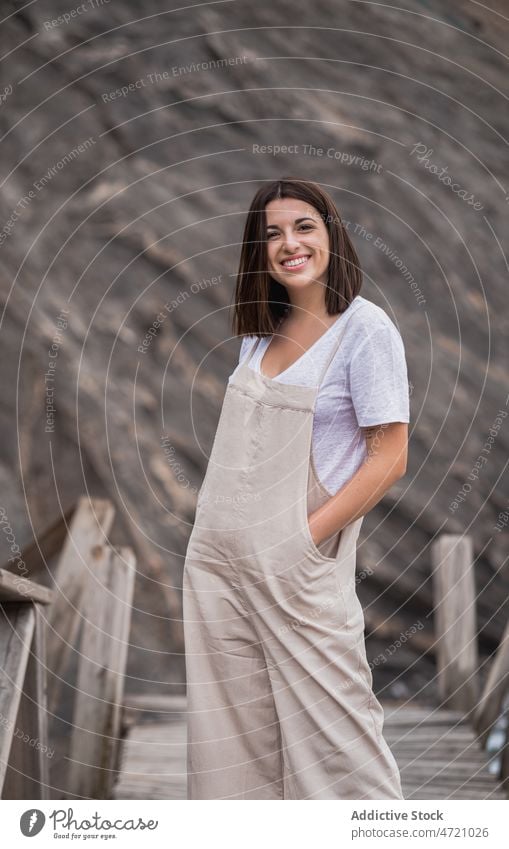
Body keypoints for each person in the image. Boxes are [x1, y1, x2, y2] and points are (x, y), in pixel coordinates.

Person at [183, 177, 409, 800]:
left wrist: (299, 541)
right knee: (233, 751)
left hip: (296, 567)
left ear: (331, 234)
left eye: (304, 227)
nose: (289, 244)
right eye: (272, 234)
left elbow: (389, 457)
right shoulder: (262, 332)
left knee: (341, 754)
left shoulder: (365, 330)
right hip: (219, 571)